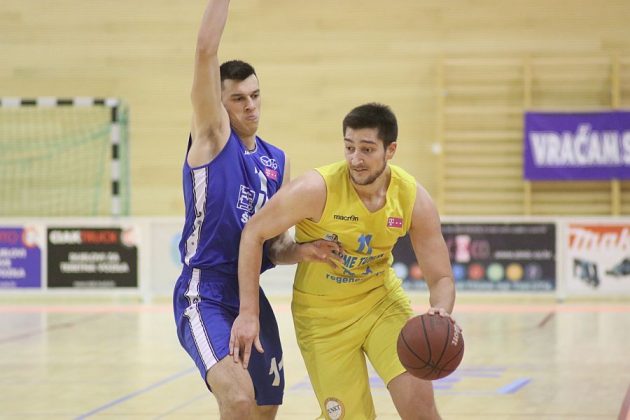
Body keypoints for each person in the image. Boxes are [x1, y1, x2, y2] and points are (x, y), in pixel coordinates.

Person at [233, 103, 457, 419]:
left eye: (367, 149)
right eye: (349, 147)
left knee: (421, 410)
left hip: (381, 304)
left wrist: (441, 311)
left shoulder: (412, 198)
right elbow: (253, 233)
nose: (355, 159)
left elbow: (441, 277)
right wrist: (248, 312)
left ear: (390, 150)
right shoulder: (315, 189)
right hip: (322, 318)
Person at [173, 1, 339, 419]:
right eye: (238, 98)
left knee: (265, 407)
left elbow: (274, 247)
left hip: (249, 293)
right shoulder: (212, 136)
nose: (250, 105)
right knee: (239, 398)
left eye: (255, 95)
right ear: (219, 103)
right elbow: (205, 51)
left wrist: (303, 251)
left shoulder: (277, 160)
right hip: (204, 292)